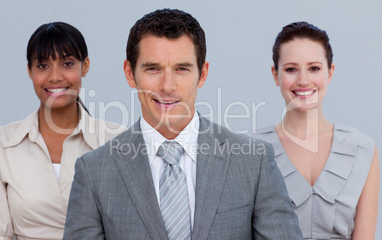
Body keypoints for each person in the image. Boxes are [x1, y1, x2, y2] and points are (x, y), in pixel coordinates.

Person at [63, 9, 303, 240]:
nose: (167, 86)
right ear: (129, 73)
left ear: (203, 73)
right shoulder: (94, 173)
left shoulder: (254, 162)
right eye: (153, 68)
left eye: (182, 69)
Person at [0, 22, 124, 240]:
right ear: (29, 70)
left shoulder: (116, 140)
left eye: (67, 63)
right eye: (43, 65)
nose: (55, 76)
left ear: (85, 66)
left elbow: (124, 228)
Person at [253, 22, 380, 239]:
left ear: (330, 72)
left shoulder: (363, 150)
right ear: (275, 75)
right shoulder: (251, 151)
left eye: (314, 68)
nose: (303, 80)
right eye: (291, 69)